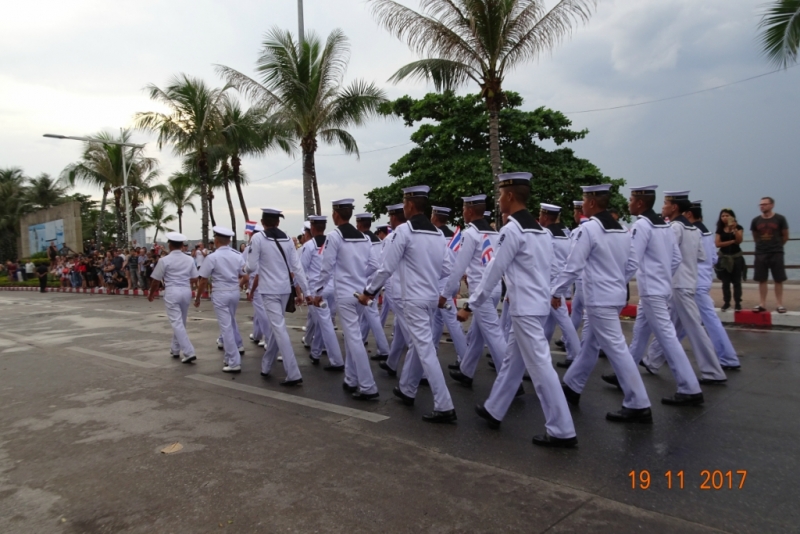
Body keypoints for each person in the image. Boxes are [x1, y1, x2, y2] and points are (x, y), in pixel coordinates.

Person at [461, 173, 576, 447]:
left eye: (501, 194)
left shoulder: (512, 231)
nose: (499, 199)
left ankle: (562, 429)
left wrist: (471, 304)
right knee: (513, 361)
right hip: (534, 305)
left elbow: (493, 271)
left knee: (540, 368)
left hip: (525, 308)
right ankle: (495, 409)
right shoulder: (540, 231)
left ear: (511, 196)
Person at [555, 184, 653, 423]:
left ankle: (638, 402)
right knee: (590, 345)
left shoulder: (588, 229)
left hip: (599, 298)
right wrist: (616, 280)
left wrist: (555, 290)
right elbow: (632, 263)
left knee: (616, 348)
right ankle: (572, 386)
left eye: (584, 199)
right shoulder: (620, 229)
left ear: (590, 203)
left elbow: (573, 265)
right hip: (615, 295)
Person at [360, 186, 457, 423]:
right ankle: (407, 388)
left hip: (412, 299)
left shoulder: (404, 231)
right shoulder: (436, 233)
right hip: (431, 298)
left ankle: (444, 404)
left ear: (410, 205)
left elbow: (386, 267)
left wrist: (369, 291)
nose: (403, 207)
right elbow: (447, 269)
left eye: (404, 203)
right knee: (418, 344)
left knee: (425, 350)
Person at [601, 186, 704, 406]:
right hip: (660, 289)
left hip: (652, 291)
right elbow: (675, 259)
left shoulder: (642, 225)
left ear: (640, 203)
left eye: (631, 199)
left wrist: (618, 283)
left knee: (667, 338)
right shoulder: (663, 224)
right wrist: (663, 277)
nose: (629, 203)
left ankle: (689, 387)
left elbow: (632, 259)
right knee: (639, 334)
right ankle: (625, 376)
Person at [642, 191, 728, 385]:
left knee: (694, 328)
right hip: (689, 282)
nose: (662, 207)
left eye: (665, 203)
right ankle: (652, 360)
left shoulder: (674, 228)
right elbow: (701, 256)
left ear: (674, 207)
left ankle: (713, 371)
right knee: (670, 326)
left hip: (678, 284)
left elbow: (666, 255)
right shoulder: (694, 230)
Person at [312, 200, 379, 400]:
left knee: (354, 339)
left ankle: (368, 386)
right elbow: (374, 265)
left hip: (345, 293)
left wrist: (317, 291)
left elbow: (326, 267)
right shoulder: (364, 237)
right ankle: (351, 379)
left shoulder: (335, 236)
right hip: (360, 292)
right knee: (353, 337)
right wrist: (358, 276)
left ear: (336, 214)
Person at [442, 194, 507, 387]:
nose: (463, 212)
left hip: (481, 292)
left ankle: (511, 380)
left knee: (494, 335)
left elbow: (458, 267)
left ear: (470, 211)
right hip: (494, 289)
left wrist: (445, 293)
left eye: (463, 209)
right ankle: (466, 371)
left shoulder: (470, 234)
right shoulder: (496, 233)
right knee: (478, 333)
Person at [246, 208, 309, 386]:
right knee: (276, 326)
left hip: (269, 290)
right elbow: (297, 268)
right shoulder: (288, 240)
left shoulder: (258, 238)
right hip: (284, 290)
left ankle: (293, 373)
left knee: (279, 329)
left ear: (262, 222)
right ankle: (266, 365)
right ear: (278, 222)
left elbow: (251, 267)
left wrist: (244, 270)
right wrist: (307, 291)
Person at [195, 226, 246, 373]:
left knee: (226, 327)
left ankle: (233, 361)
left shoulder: (212, 257)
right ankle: (230, 356)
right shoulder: (237, 255)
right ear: (229, 240)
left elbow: (203, 280)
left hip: (220, 293)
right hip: (234, 292)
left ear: (216, 241)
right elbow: (245, 275)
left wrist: (198, 297)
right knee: (230, 322)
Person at [538, 204, 582, 369]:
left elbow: (546, 261)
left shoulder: (547, 234)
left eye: (540, 214)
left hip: (551, 284)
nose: (539, 218)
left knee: (564, 322)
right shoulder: (566, 232)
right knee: (548, 323)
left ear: (546, 216)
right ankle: (543, 358)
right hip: (562, 281)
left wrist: (553, 288)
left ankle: (577, 357)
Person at [300, 216, 344, 367]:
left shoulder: (309, 245)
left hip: (316, 290)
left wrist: (303, 292)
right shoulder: (332, 243)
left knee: (325, 325)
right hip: (332, 288)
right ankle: (316, 352)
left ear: (312, 228)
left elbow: (301, 270)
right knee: (323, 323)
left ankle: (336, 360)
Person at [148, 232, 198, 364]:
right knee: (181, 321)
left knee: (176, 322)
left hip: (172, 291)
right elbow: (194, 277)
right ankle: (175, 348)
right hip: (186, 290)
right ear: (182, 245)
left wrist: (151, 293)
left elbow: (155, 280)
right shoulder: (189, 259)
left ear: (169, 245)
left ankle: (189, 351)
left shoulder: (164, 260)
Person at [429, 206, 468, 361]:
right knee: (438, 319)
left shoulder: (435, 237)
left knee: (451, 321)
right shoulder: (455, 237)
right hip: (453, 282)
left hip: (441, 284)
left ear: (435, 217)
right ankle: (432, 350)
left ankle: (464, 359)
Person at [355, 213, 391, 360]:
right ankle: (361, 338)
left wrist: (361, 275)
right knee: (367, 315)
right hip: (376, 281)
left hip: (367, 283)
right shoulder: (378, 240)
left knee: (372, 315)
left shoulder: (363, 240)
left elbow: (372, 264)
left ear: (359, 224)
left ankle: (384, 350)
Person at [750, 197, 790, 313]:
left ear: (772, 205)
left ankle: (779, 304)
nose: (762, 206)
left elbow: (785, 236)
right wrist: (761, 246)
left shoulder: (780, 219)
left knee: (778, 279)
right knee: (762, 279)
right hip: (761, 252)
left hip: (776, 252)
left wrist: (777, 245)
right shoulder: (756, 220)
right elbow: (755, 236)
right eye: (760, 204)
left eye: (765, 204)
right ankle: (762, 303)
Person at [715, 209, 744, 311]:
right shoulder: (720, 229)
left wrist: (734, 230)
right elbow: (717, 244)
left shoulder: (738, 228)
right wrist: (731, 241)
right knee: (725, 282)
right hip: (724, 258)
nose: (725, 218)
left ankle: (737, 303)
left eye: (727, 216)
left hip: (736, 257)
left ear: (732, 217)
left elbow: (739, 241)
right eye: (723, 216)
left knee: (737, 282)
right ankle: (726, 302)